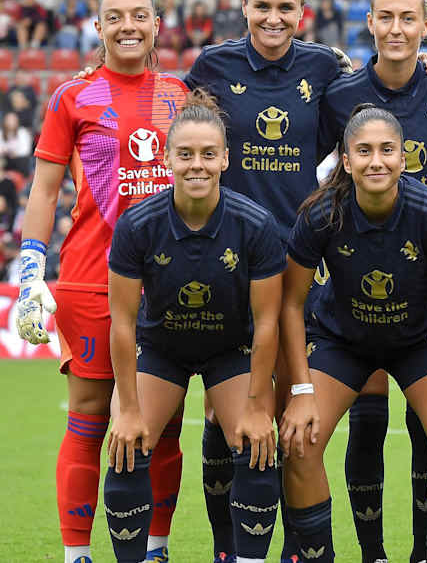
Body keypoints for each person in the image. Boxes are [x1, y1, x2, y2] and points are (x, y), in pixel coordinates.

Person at [184, 0, 427, 562]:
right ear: (243, 4)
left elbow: (381, 99)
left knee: (289, 417)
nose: (273, 18)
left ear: (302, 13)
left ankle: (300, 550)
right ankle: (232, 549)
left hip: (302, 264)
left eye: (286, 8)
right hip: (231, 263)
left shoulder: (326, 70)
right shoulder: (211, 68)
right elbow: (175, 126)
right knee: (228, 422)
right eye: (262, 6)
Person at [15, 0, 189, 563]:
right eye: (115, 17)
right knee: (89, 418)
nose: (128, 26)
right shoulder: (73, 96)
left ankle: (157, 549)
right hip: (92, 278)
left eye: (139, 15)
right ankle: (77, 555)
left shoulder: (182, 94)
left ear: (157, 24)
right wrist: (30, 274)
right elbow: (44, 190)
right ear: (98, 27)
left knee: (165, 425)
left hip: (172, 281)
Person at [318, 0, 427, 562]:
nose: (396, 29)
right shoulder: (339, 94)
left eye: (408, 19)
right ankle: (372, 553)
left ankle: (424, 553)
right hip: (355, 278)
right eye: (385, 17)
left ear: (426, 24)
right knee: (366, 424)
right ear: (369, 23)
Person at [276, 105, 427, 563]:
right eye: (363, 151)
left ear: (403, 157)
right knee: (300, 443)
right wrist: (302, 389)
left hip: (417, 341)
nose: (376, 161)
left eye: (387, 150)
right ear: (346, 160)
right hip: (342, 342)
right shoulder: (321, 214)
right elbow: (290, 303)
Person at [102, 90, 284, 563]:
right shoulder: (137, 225)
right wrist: (125, 407)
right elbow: (121, 322)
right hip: (163, 351)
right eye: (185, 154)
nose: (196, 165)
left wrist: (256, 404)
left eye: (208, 154)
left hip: (230, 350)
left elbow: (267, 323)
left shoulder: (255, 225)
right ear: (166, 159)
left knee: (256, 442)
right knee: (126, 445)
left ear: (226, 158)